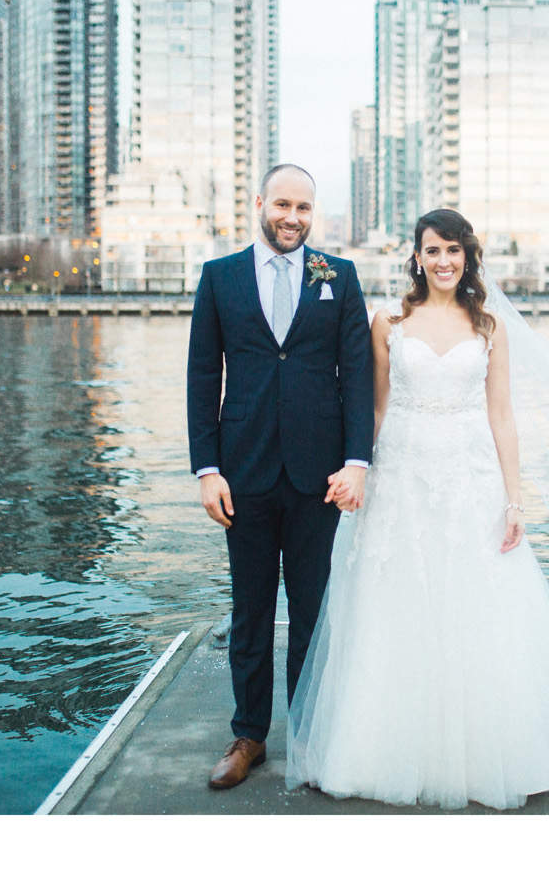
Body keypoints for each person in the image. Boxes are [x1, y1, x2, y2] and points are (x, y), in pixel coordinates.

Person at [285, 208, 549, 810]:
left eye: (454, 250)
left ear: (468, 257)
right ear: (416, 257)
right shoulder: (387, 320)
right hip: (402, 478)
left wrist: (515, 499)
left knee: (479, 606)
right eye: (433, 250)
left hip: (471, 480)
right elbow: (374, 409)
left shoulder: (489, 325)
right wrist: (354, 469)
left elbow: (502, 417)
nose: (444, 261)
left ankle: (502, 752)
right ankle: (375, 750)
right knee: (394, 607)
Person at [186, 163, 375, 790]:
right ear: (261, 202)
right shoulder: (219, 278)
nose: (293, 217)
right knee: (250, 609)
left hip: (319, 476)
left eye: (305, 208)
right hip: (243, 473)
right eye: (284, 205)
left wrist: (356, 462)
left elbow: (357, 377)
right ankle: (249, 736)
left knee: (313, 609)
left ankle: (310, 735)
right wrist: (207, 469)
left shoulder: (338, 277)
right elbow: (202, 378)